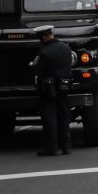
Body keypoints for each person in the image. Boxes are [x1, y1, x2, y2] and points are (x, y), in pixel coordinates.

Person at [33, 25, 72, 156]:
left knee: (50, 117)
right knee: (64, 115)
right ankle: (66, 147)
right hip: (64, 86)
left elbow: (39, 70)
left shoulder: (44, 52)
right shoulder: (66, 48)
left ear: (44, 37)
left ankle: (52, 148)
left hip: (49, 88)